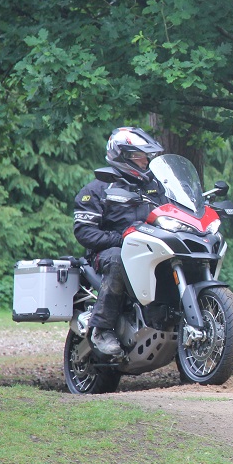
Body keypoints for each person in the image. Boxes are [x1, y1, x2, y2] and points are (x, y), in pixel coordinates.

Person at [73, 126, 167, 359]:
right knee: (118, 259)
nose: (145, 160)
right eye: (138, 155)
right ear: (121, 155)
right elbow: (84, 233)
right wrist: (122, 239)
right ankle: (101, 329)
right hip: (106, 253)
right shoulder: (97, 189)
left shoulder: (155, 187)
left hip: (150, 248)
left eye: (146, 155)